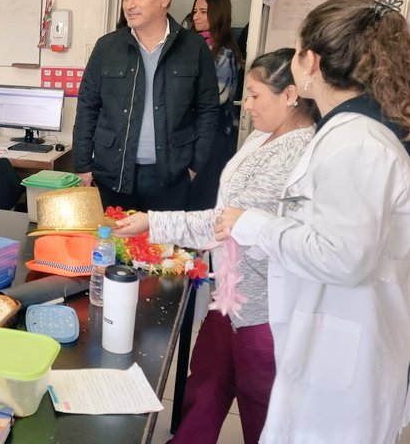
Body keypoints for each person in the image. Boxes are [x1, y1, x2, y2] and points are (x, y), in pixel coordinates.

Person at [215, 0, 410, 443]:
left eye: (298, 49)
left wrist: (254, 224)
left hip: (345, 350)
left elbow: (342, 257)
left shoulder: (357, 142)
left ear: (312, 62)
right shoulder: (352, 130)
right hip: (339, 334)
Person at [114, 49, 317, 444]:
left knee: (261, 405)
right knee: (206, 383)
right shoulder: (263, 136)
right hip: (230, 296)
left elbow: (225, 225)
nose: (247, 105)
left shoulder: (294, 154)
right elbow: (226, 214)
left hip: (263, 310)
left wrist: (154, 222)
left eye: (256, 95)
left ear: (290, 95)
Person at [73, 0, 220, 211]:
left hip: (171, 176)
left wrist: (195, 165)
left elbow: (208, 110)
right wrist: (83, 165)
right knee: (113, 236)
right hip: (113, 174)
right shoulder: (107, 47)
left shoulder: (193, 48)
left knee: (162, 238)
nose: (129, 5)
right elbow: (87, 106)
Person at [189, 0, 242, 209]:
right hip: (192, 131)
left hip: (215, 131)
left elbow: (217, 97)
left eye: (203, 12)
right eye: (195, 11)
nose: (196, 17)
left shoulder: (224, 53)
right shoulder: (192, 45)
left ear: (217, 14)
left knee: (204, 195)